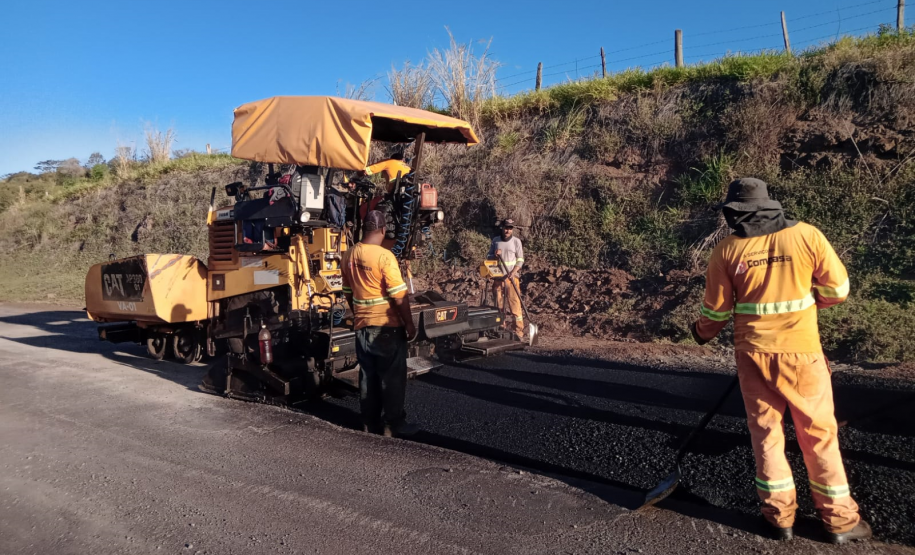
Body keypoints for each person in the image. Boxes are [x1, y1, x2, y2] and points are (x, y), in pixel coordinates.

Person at [692, 178, 871, 544]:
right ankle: (840, 522)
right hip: (802, 353)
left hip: (752, 355)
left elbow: (717, 310)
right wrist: (810, 302)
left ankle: (779, 518)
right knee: (818, 434)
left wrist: (701, 332)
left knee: (766, 435)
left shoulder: (727, 251)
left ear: (736, 213)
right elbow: (837, 290)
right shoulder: (807, 236)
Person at [341, 210, 419, 438]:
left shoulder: (348, 254)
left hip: (362, 325)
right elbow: (399, 296)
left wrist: (359, 314)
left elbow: (347, 292)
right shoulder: (384, 257)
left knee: (368, 375)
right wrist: (409, 324)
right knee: (392, 378)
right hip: (386, 326)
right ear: (383, 230)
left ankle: (369, 423)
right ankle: (394, 424)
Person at [487, 218, 525, 341]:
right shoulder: (496, 241)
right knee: (499, 306)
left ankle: (518, 331)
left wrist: (514, 272)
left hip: (511, 279)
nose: (508, 230)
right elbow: (489, 257)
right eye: (506, 227)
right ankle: (501, 329)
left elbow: (520, 259)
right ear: (502, 228)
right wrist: (494, 255)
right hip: (499, 279)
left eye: (510, 228)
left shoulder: (516, 242)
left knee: (515, 305)